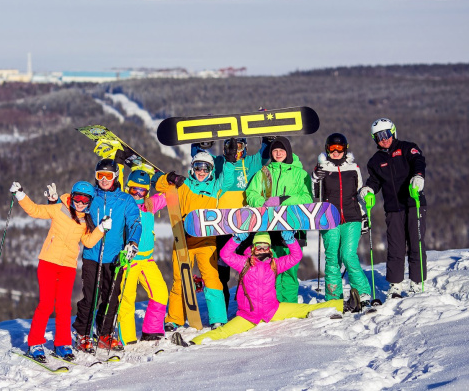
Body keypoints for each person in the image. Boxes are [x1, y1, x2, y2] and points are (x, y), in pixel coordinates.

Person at [178, 232, 345, 346]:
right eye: (259, 247)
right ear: (253, 248)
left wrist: (291, 241)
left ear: (270, 248)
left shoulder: (274, 264)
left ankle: (343, 305)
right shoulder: (243, 263)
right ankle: (193, 342)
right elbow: (225, 254)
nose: (262, 250)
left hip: (272, 310)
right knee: (224, 331)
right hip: (248, 315)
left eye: (266, 247)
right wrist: (236, 239)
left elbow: (296, 256)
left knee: (305, 309)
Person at [8, 180, 112, 362]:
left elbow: (88, 242)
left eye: (85, 200)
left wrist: (101, 229)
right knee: (46, 305)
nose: (80, 203)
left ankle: (62, 344)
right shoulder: (59, 209)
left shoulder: (85, 221)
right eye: (77, 198)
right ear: (72, 196)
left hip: (68, 267)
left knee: (64, 306)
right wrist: (20, 195)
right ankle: (35, 343)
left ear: (89, 202)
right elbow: (35, 210)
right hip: (48, 262)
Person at [156, 148, 235, 331]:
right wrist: (169, 178)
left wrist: (230, 162)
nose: (201, 172)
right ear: (192, 167)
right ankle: (174, 318)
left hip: (207, 241)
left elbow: (228, 180)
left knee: (211, 277)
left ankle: (218, 318)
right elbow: (160, 186)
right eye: (198, 167)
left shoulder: (215, 187)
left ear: (211, 170)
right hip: (183, 239)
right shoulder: (184, 185)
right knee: (180, 278)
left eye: (206, 168)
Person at [72, 158, 142, 353]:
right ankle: (83, 334)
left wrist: (133, 243)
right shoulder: (90, 195)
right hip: (92, 255)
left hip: (115, 257)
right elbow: (72, 201)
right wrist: (54, 201)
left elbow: (135, 223)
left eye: (108, 176)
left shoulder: (125, 200)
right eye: (100, 175)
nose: (104, 179)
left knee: (111, 297)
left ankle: (105, 333)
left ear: (115, 177)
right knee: (90, 297)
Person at [196, 138, 270, 308]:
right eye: (230, 146)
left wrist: (268, 140)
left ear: (245, 148)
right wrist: (200, 143)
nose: (234, 150)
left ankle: (252, 306)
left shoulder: (251, 162)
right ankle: (221, 310)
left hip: (245, 225)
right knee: (221, 272)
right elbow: (199, 158)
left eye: (238, 146)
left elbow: (265, 155)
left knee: (249, 267)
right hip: (222, 224)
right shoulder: (218, 162)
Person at [359, 118, 427, 298]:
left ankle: (417, 282)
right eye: (378, 136)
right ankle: (395, 285)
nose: (383, 139)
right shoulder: (375, 161)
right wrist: (368, 189)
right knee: (396, 247)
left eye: (386, 134)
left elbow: (418, 161)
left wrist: (418, 176)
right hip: (393, 209)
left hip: (414, 203)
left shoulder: (407, 148)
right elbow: (374, 181)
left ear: (393, 132)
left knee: (416, 243)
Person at [245, 137, 313, 303]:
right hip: (269, 227)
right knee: (271, 270)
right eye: (275, 150)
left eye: (281, 150)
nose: (278, 153)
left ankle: (289, 304)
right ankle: (274, 305)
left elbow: (307, 198)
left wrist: (282, 200)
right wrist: (263, 202)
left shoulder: (300, 173)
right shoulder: (264, 173)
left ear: (288, 152)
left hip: (293, 226)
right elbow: (251, 194)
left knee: (290, 271)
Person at [312, 133, 372, 309]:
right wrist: (315, 178)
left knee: (348, 255)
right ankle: (333, 297)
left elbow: (359, 192)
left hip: (352, 217)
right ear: (327, 149)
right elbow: (315, 194)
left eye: (339, 148)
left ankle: (363, 292)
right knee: (332, 258)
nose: (336, 151)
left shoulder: (353, 168)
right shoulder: (322, 168)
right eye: (332, 148)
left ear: (345, 149)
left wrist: (364, 210)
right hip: (329, 219)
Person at [118, 170, 169, 345]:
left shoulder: (150, 205)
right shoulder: (123, 204)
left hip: (147, 260)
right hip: (129, 260)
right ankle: (127, 337)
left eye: (142, 191)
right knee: (126, 298)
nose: (138, 194)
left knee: (160, 292)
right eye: (134, 190)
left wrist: (161, 179)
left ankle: (152, 330)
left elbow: (168, 194)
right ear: (128, 188)